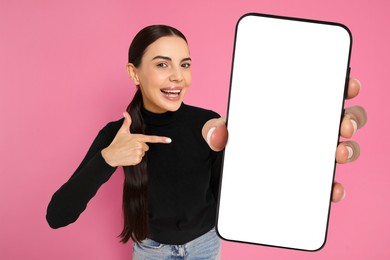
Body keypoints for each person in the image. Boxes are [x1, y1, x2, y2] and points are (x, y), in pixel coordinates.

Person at [46, 25, 367, 259]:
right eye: (162, 64)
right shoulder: (115, 136)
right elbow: (58, 215)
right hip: (150, 252)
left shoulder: (208, 125)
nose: (177, 76)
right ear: (134, 72)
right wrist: (109, 158)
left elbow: (229, 191)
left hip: (206, 245)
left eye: (184, 64)